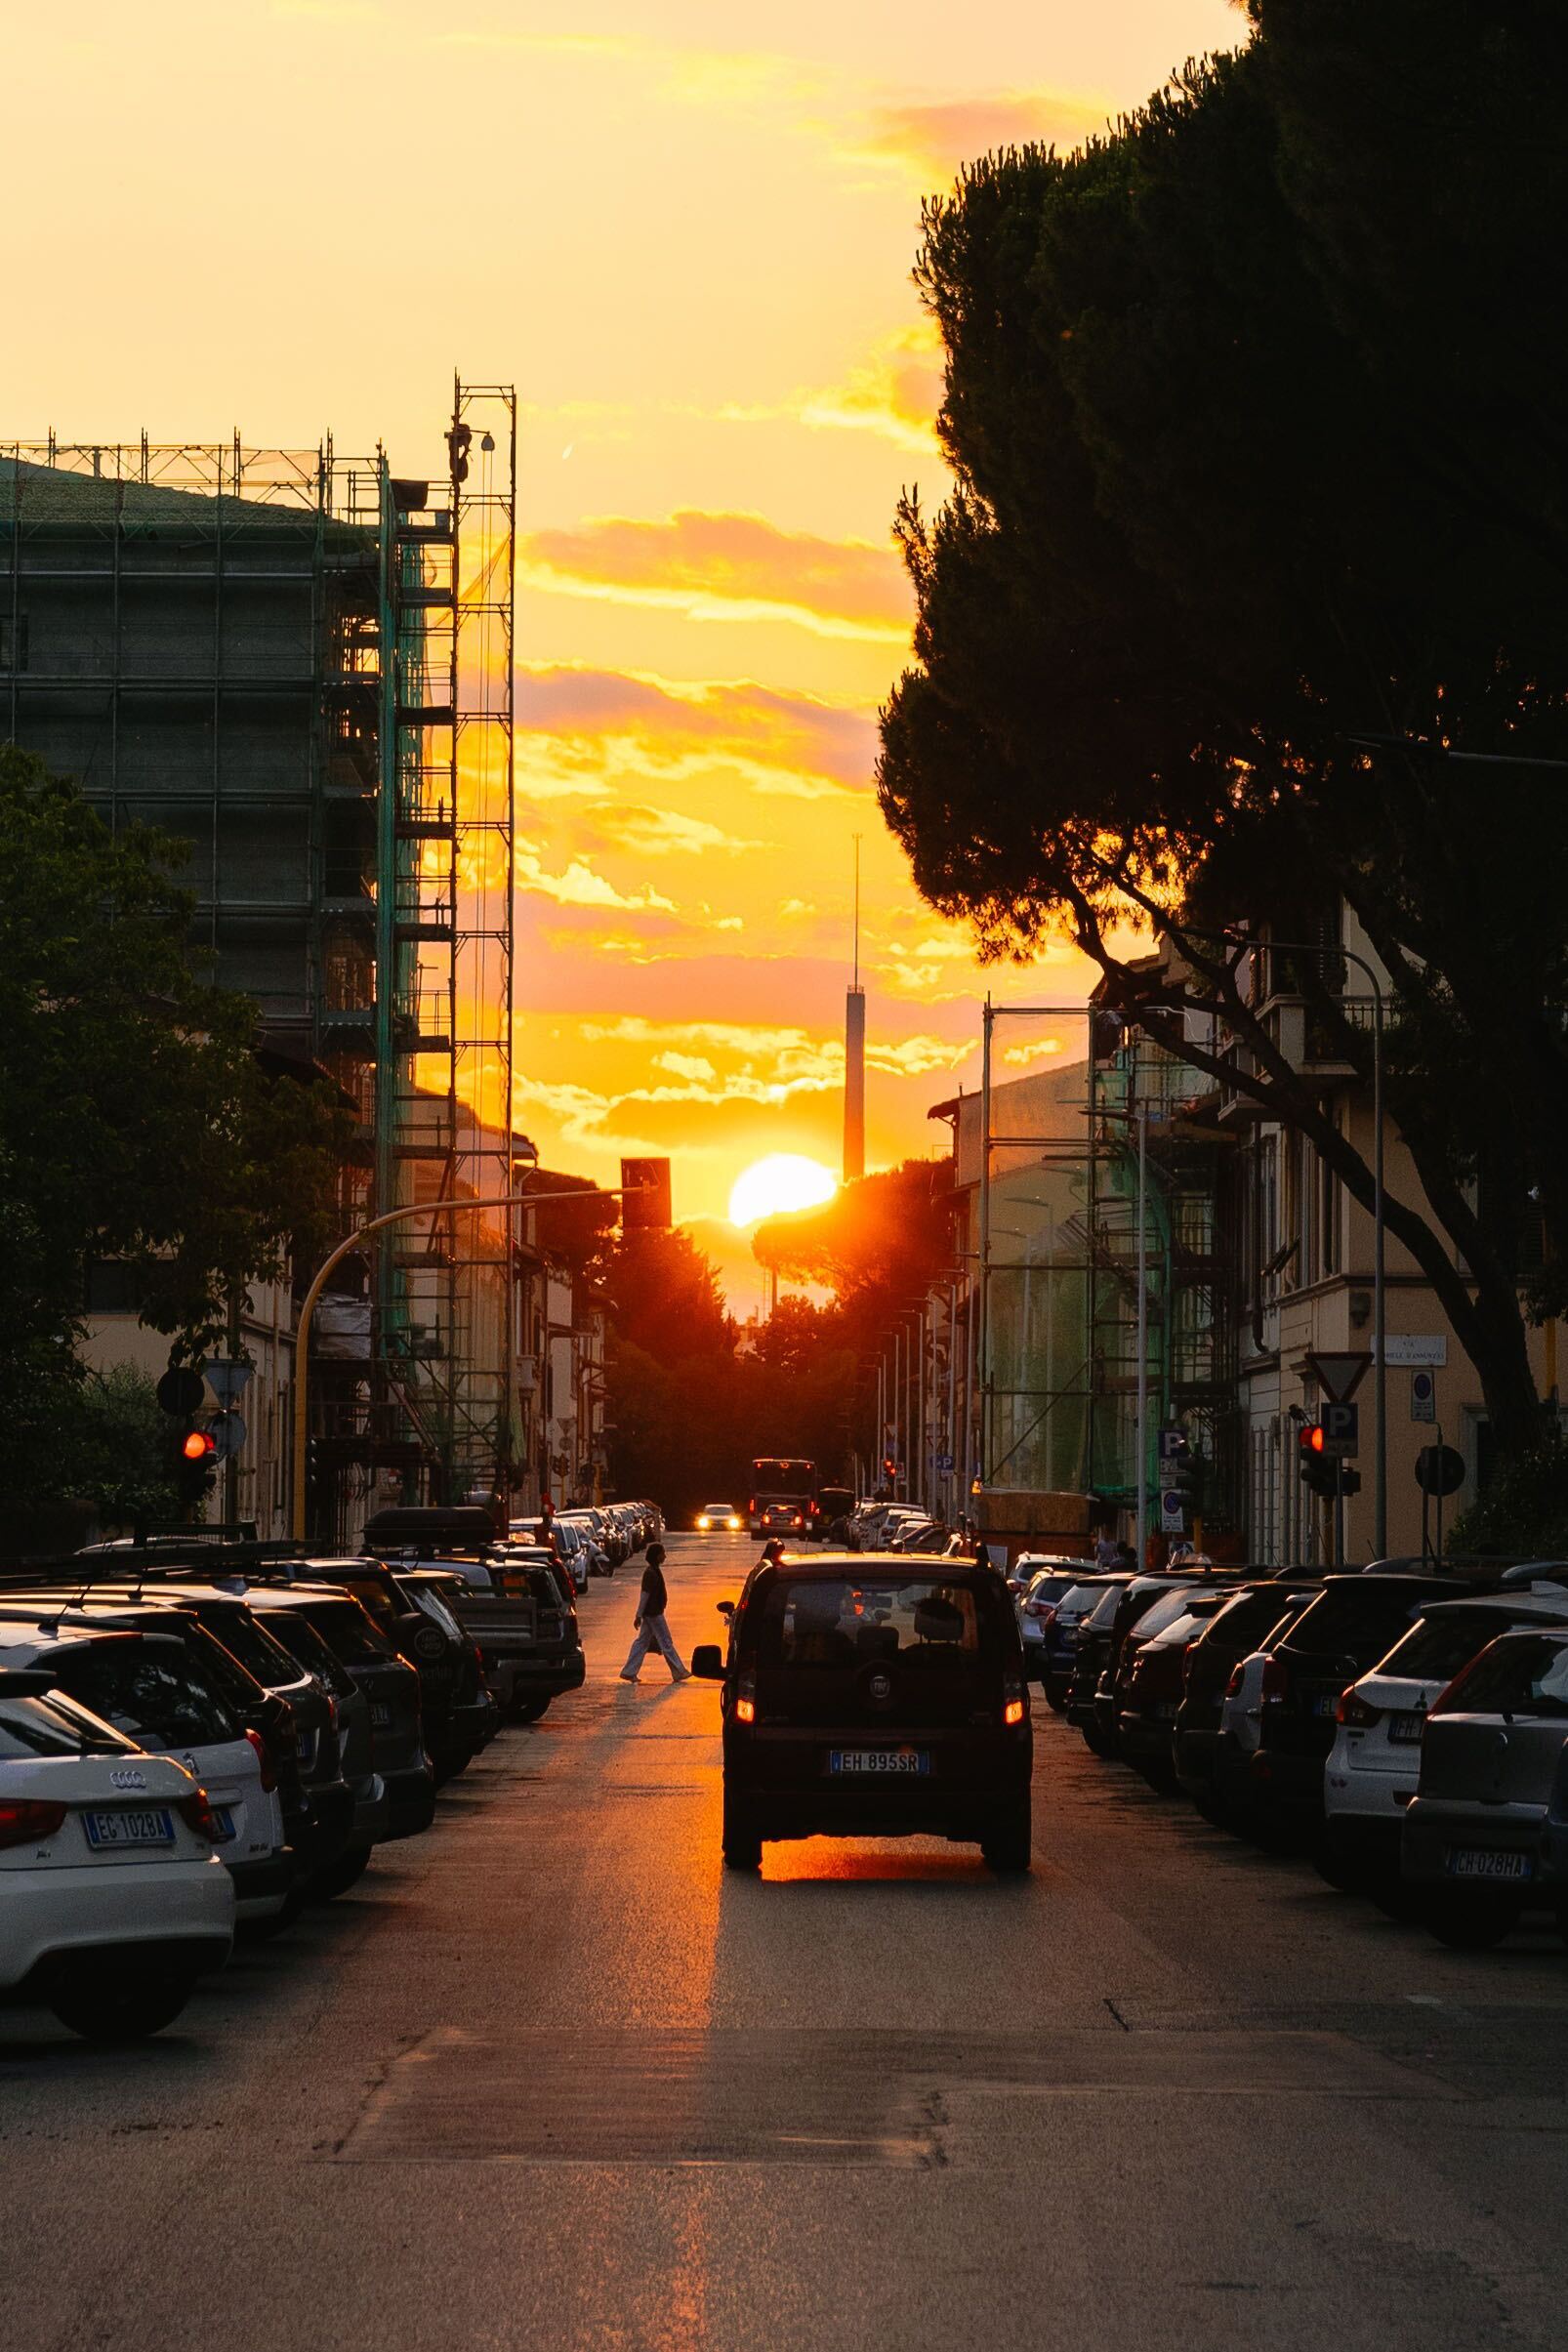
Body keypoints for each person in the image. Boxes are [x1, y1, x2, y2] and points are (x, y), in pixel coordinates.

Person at [619, 1542, 689, 1683]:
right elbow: (645, 1595)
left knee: (642, 1643)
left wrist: (640, 1614)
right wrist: (638, 1614)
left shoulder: (654, 1570)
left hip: (652, 1613)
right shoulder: (651, 1573)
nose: (665, 1556)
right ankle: (679, 1671)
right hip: (653, 1614)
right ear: (656, 1556)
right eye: (662, 1554)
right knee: (666, 1642)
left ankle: (629, 1671)